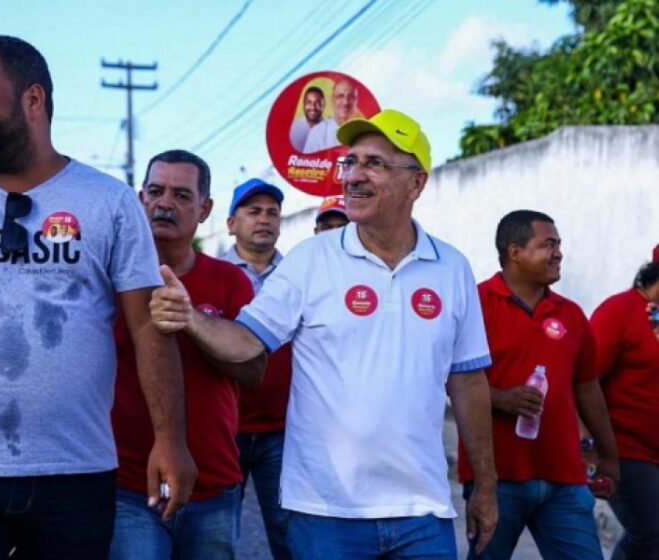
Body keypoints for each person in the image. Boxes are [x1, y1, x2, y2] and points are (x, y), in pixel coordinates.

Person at [151, 109, 498, 559]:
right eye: (350, 162)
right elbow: (247, 342)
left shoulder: (451, 268)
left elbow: (468, 382)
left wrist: (485, 486)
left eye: (374, 164)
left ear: (416, 183)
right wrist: (191, 317)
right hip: (324, 512)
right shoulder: (311, 259)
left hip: (423, 510)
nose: (353, 176)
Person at [0, 35, 195, 559]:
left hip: (75, 472)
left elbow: (147, 326)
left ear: (33, 99)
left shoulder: (108, 201)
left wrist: (170, 440)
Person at [110, 150, 265, 559]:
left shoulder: (229, 280)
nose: (165, 204)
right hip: (128, 487)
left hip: (213, 485)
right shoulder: (108, 279)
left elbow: (253, 371)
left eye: (181, 195)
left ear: (205, 209)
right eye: (155, 192)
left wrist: (191, 318)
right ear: (141, 199)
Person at [458, 209, 619, 559]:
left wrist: (609, 454)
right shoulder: (474, 305)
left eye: (558, 244)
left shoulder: (571, 313)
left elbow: (587, 388)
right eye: (549, 245)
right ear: (515, 252)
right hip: (495, 479)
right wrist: (500, 398)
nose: (559, 253)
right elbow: (447, 378)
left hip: (565, 479)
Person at [223, 178, 293, 559]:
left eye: (272, 213)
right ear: (231, 223)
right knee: (217, 536)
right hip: (223, 431)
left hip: (282, 431)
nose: (264, 219)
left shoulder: (297, 276)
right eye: (253, 212)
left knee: (289, 535)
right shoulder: (214, 273)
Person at [590, 244, 659, 560]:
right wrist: (592, 447)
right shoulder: (618, 311)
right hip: (626, 450)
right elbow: (584, 382)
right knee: (650, 532)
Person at [303, 79, 358, 153]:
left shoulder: (363, 133)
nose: (346, 102)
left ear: (356, 101)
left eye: (351, 97)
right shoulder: (317, 133)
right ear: (332, 100)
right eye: (340, 96)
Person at [289, 86, 325, 152]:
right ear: (304, 104)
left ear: (323, 105)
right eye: (309, 102)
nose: (313, 107)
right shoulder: (292, 128)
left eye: (317, 103)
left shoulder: (331, 130)